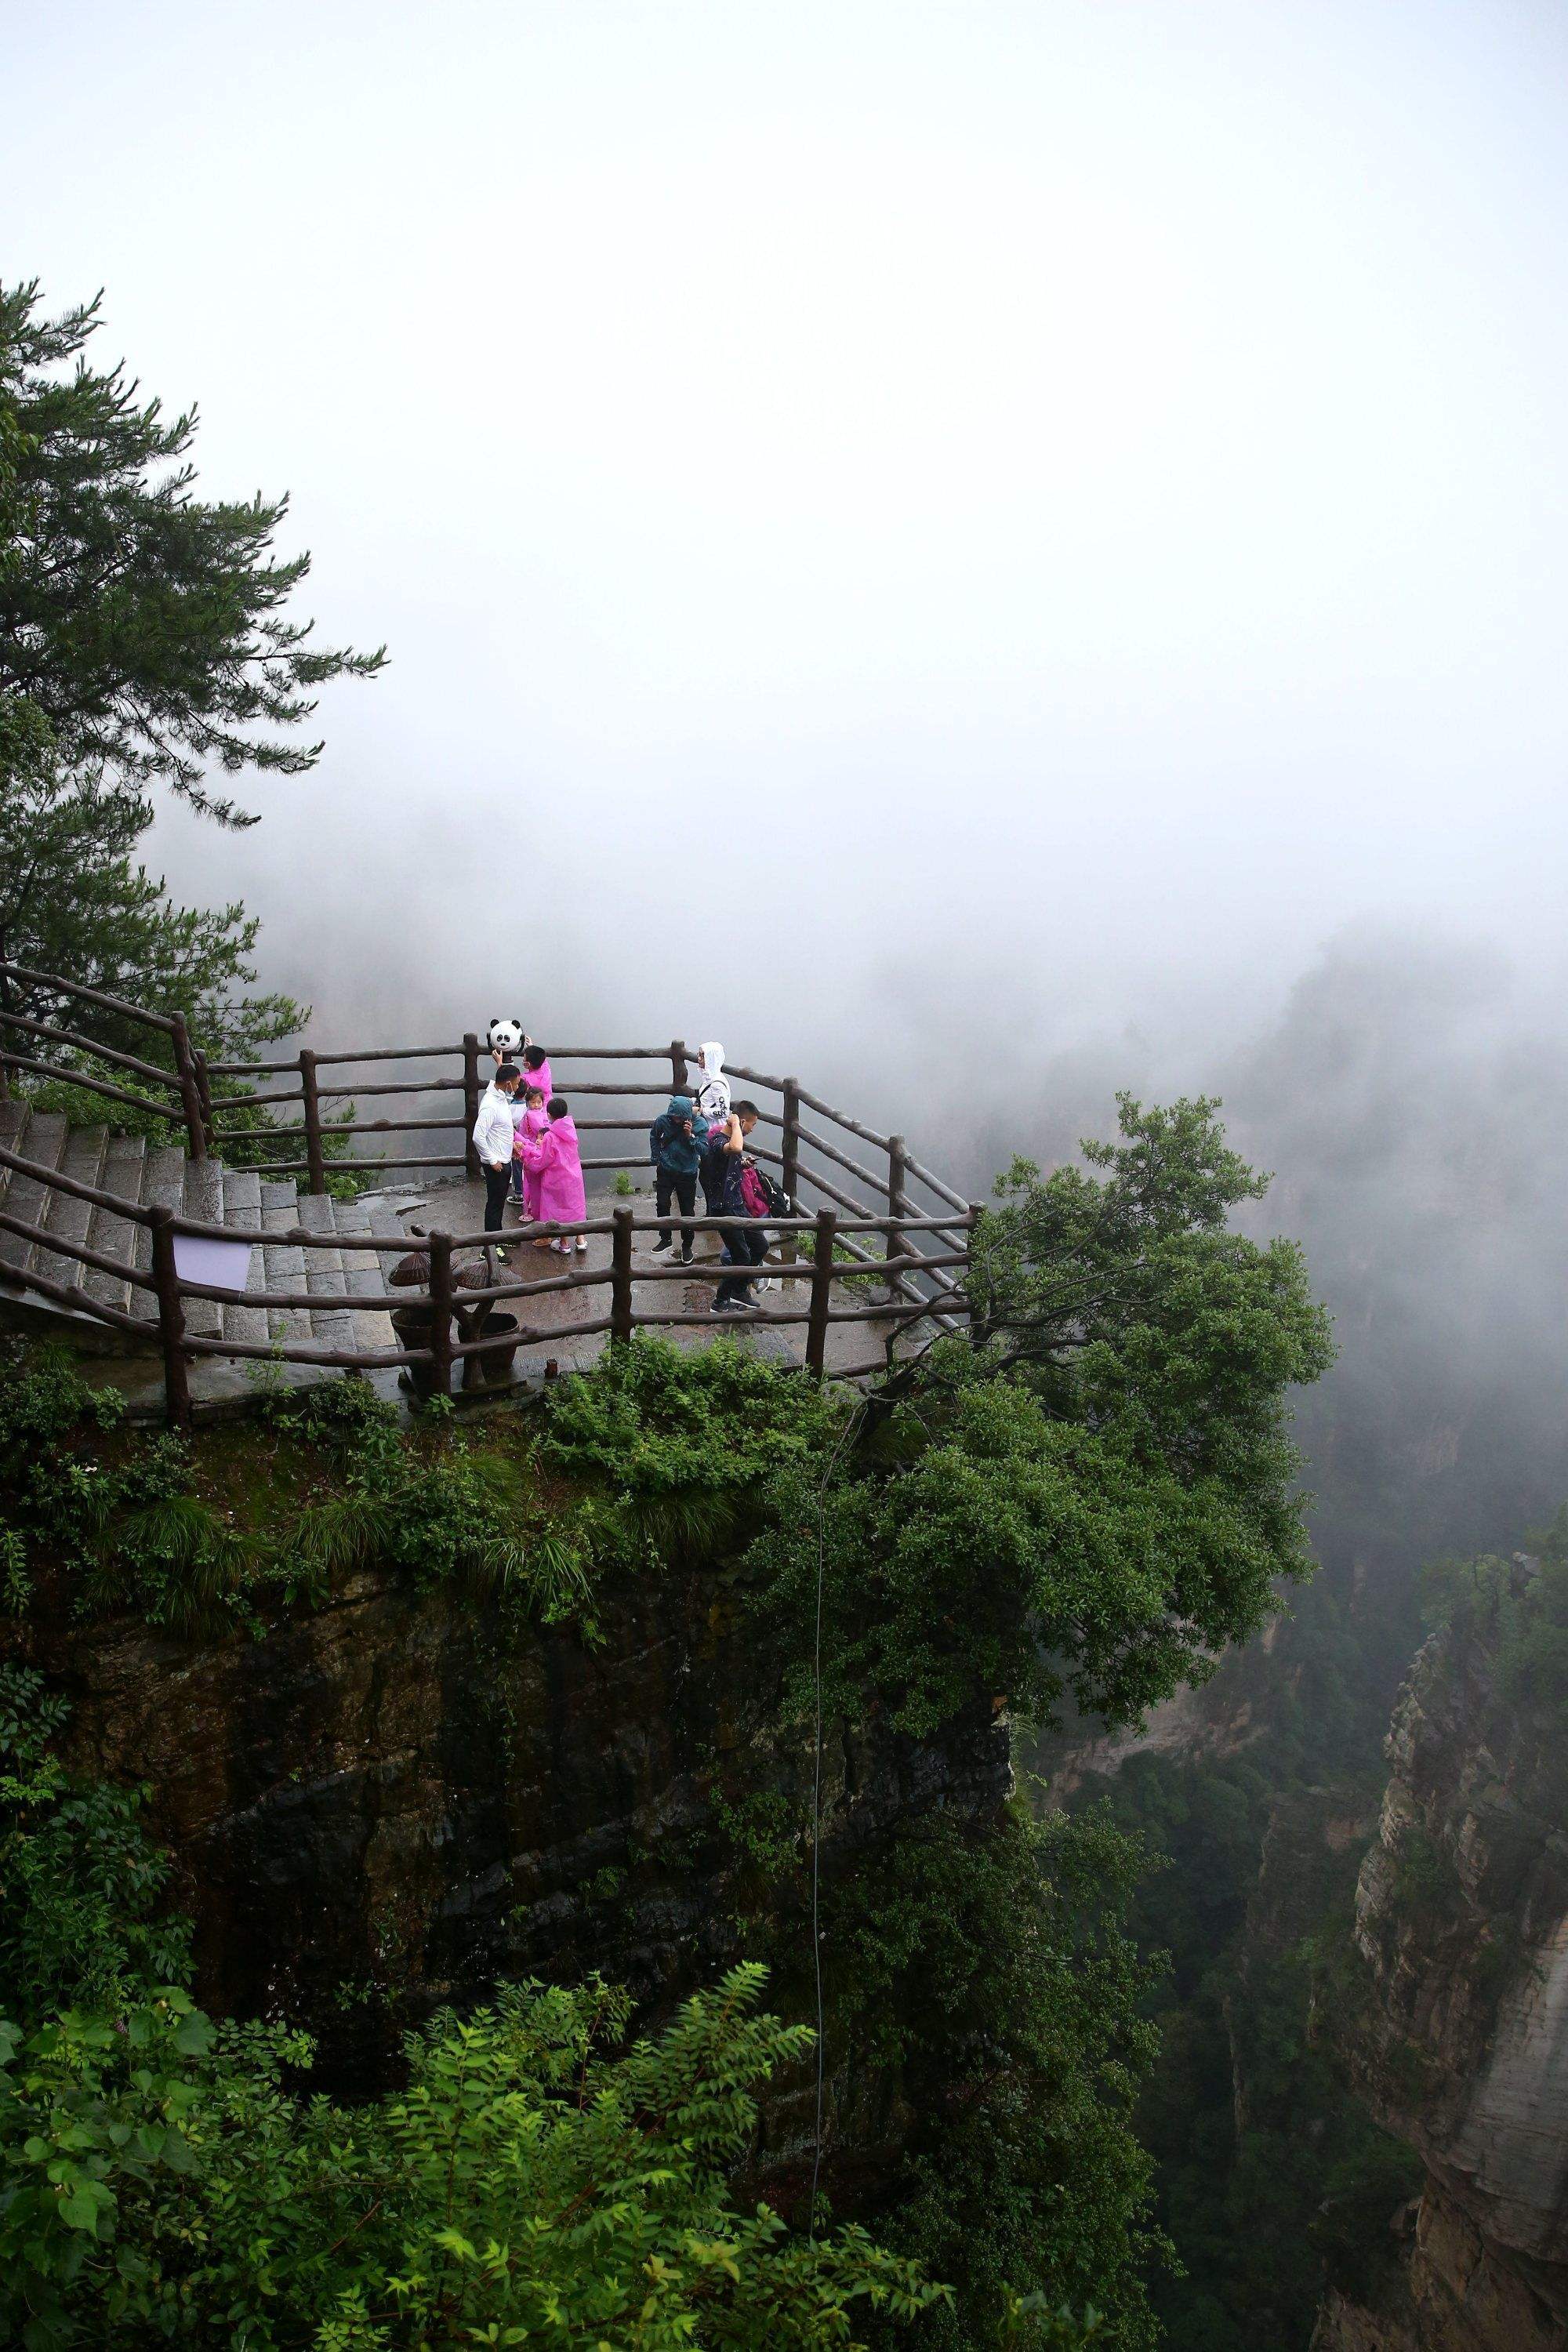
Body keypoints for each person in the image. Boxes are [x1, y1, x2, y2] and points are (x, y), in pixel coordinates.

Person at [711, 1099, 770, 1312]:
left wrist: (742, 1163)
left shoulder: (728, 1140)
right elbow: (735, 1147)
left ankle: (740, 1289)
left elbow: (731, 1158)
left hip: (737, 1205)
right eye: (752, 1125)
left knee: (761, 1246)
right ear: (742, 1121)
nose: (752, 1130)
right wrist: (735, 1124)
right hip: (724, 1208)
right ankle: (720, 1301)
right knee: (741, 1256)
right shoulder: (718, 1140)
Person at [520, 1096, 589, 1252]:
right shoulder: (570, 1131)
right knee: (574, 1208)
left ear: (549, 1115)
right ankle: (581, 1240)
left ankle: (564, 1244)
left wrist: (529, 1161)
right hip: (574, 1176)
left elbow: (544, 1160)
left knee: (560, 1211)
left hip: (556, 1178)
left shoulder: (550, 1135)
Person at [647, 1093, 708, 1262]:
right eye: (672, 1116)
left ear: (686, 1116)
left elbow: (704, 1150)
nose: (675, 1120)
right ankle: (665, 1238)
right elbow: (654, 1136)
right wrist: (656, 1158)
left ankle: (687, 1245)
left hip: (687, 1173)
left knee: (687, 1211)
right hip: (666, 1170)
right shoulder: (663, 1120)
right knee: (662, 1204)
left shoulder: (700, 1124)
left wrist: (690, 1137)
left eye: (678, 1118)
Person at [474, 1062, 521, 1239]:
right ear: (508, 1083)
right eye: (516, 1084)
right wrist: (492, 1160)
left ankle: (498, 1237)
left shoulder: (500, 1097)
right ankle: (491, 1247)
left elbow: (501, 1129)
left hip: (503, 1158)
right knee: (494, 1204)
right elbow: (478, 1136)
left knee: (499, 1202)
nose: (517, 1088)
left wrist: (512, 1145)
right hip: (497, 1163)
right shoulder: (490, 1105)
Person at [513, 1084, 550, 1213]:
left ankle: (529, 1202)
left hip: (529, 1147)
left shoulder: (529, 1114)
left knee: (529, 1178)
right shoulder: (534, 1115)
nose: (537, 1105)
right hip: (535, 1148)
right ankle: (536, 1204)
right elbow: (542, 1129)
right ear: (528, 1102)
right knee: (535, 1178)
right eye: (533, 1102)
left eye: (539, 1102)